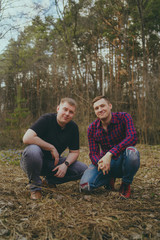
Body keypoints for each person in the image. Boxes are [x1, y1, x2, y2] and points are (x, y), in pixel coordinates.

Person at [20, 97, 88, 200]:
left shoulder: (73, 128)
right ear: (58, 109)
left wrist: (65, 165)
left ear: (73, 114)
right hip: (33, 161)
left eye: (71, 112)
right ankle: (35, 187)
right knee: (33, 151)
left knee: (83, 169)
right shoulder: (46, 119)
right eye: (65, 109)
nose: (67, 114)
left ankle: (49, 181)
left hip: (53, 163)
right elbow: (27, 138)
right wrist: (51, 147)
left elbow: (74, 152)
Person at [80, 95, 140, 199]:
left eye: (102, 106)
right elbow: (93, 153)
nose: (100, 110)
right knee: (85, 186)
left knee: (132, 153)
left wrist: (110, 153)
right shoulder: (92, 128)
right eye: (96, 108)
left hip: (124, 161)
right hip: (105, 163)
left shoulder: (124, 117)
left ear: (110, 106)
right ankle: (108, 178)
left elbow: (132, 137)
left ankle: (125, 184)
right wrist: (100, 162)